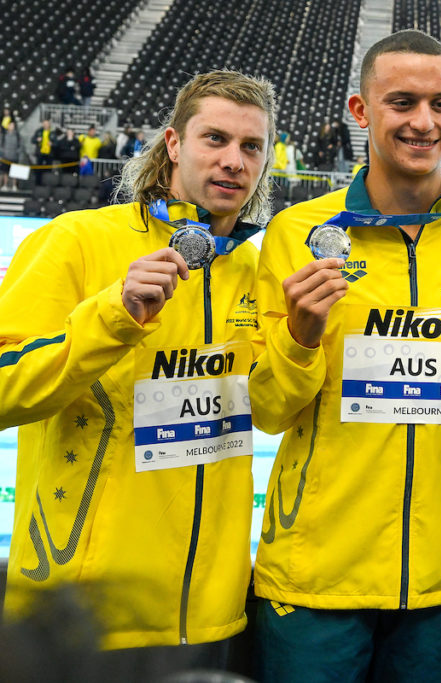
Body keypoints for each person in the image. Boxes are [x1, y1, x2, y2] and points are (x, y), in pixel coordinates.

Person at [249, 29, 441, 682]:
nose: (424, 122)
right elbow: (267, 409)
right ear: (361, 110)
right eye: (402, 102)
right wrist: (301, 336)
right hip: (316, 575)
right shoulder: (300, 233)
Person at [0, 70, 276, 672]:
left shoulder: (257, 271)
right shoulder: (74, 241)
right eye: (215, 140)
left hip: (208, 611)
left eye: (251, 147)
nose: (233, 161)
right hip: (83, 609)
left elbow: (276, 408)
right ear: (174, 144)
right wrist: (112, 315)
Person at [0, 121, 22, 191]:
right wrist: (3, 153)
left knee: (15, 173)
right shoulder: (4, 135)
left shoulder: (17, 135)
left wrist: (17, 153)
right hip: (5, 157)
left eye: (13, 125)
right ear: (8, 126)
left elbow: (21, 146)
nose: (12, 127)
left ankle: (14, 186)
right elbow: (1, 145)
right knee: (5, 172)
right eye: (10, 125)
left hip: (15, 157)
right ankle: (5, 185)